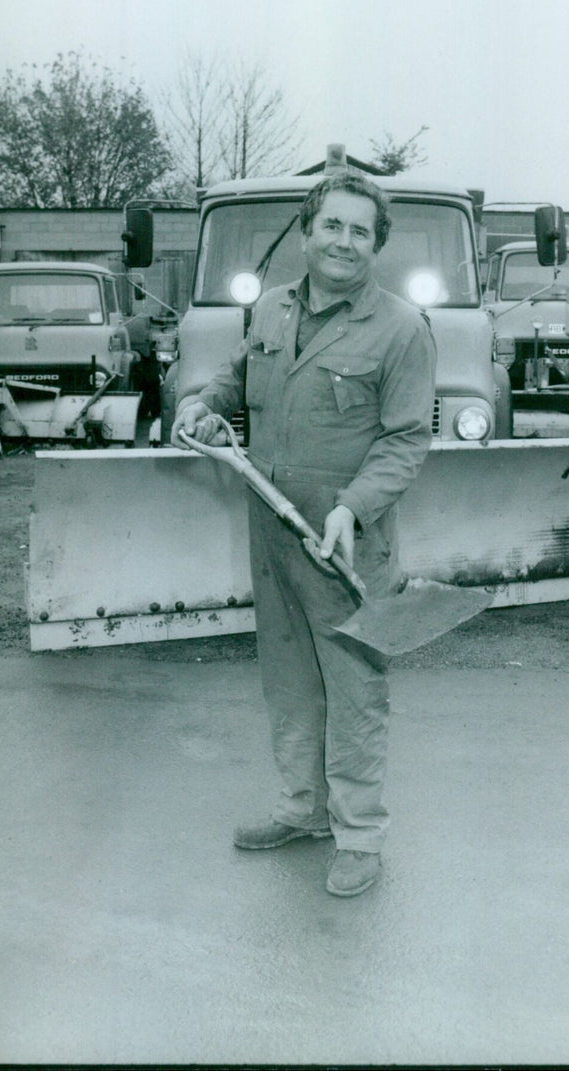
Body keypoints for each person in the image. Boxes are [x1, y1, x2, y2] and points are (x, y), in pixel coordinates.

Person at [172, 172, 437, 897]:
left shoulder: (402, 329)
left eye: (361, 231)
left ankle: (359, 835)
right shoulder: (273, 311)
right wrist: (200, 404)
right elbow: (233, 379)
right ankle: (303, 808)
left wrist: (352, 508)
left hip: (345, 537)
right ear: (308, 230)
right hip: (271, 523)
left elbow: (406, 441)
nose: (344, 241)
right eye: (333, 226)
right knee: (288, 679)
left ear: (375, 245)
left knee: (355, 688)